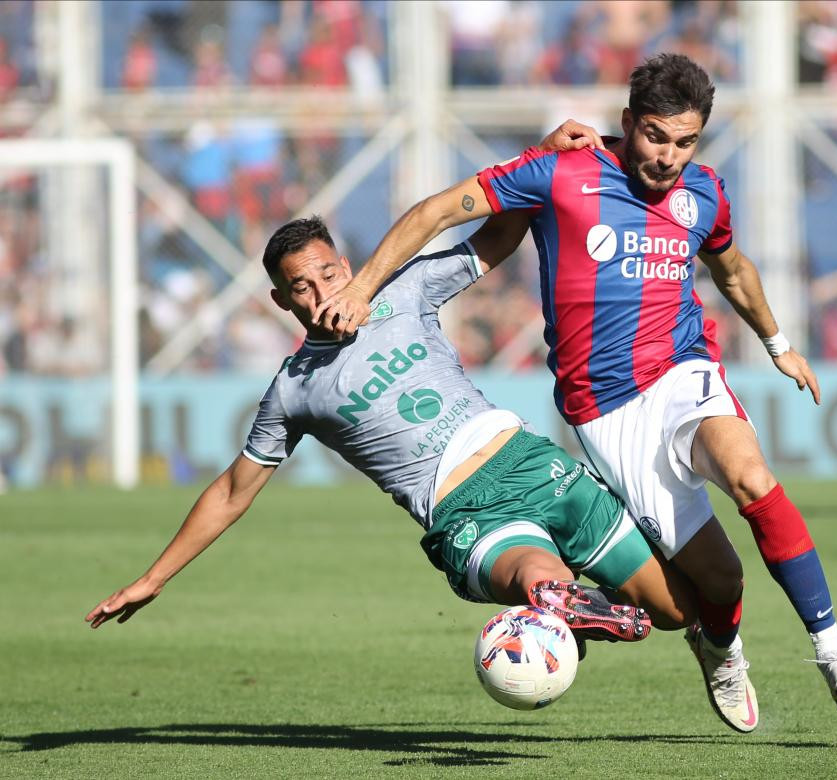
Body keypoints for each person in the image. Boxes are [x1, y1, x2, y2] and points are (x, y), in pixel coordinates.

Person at [314, 54, 837, 732]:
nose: (669, 157)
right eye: (656, 136)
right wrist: (362, 286)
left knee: (752, 478)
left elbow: (732, 269)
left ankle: (833, 650)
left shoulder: (705, 193)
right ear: (627, 124)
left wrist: (779, 344)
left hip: (684, 373)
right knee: (717, 585)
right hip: (606, 412)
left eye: (685, 141)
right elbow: (438, 210)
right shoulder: (560, 172)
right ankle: (720, 649)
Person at [87, 210, 707, 657]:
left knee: (678, 611)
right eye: (301, 286)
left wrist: (540, 164)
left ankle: (580, 612)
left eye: (328, 274)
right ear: (283, 301)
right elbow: (232, 491)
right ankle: (556, 604)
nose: (319, 291)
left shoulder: (401, 290)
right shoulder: (294, 389)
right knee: (535, 573)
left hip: (523, 458)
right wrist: (154, 577)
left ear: (347, 267)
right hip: (462, 509)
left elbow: (494, 238)